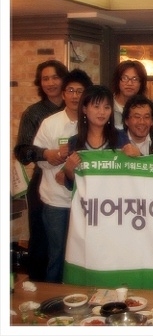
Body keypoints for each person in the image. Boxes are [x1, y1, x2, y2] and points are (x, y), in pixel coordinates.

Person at [32, 69, 93, 282]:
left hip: (87, 203)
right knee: (57, 254)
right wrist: (57, 158)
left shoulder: (93, 123)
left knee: (85, 254)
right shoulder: (50, 123)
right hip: (56, 201)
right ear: (64, 94)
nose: (75, 96)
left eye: (80, 91)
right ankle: (54, 297)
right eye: (71, 90)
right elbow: (38, 158)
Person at [13, 59, 69, 281]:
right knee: (42, 241)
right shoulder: (34, 113)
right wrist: (45, 153)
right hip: (42, 183)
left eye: (55, 77)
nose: (50, 83)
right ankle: (38, 286)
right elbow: (21, 151)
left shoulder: (76, 110)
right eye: (45, 78)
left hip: (72, 182)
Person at [63, 85, 133, 188]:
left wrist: (136, 155)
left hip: (115, 196)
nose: (102, 112)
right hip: (87, 198)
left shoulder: (120, 137)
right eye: (96, 106)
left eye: (107, 107)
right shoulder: (74, 142)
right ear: (84, 109)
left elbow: (132, 175)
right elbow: (73, 187)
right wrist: (69, 170)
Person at [111, 60, 148, 129]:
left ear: (141, 83)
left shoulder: (146, 108)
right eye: (125, 78)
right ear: (117, 80)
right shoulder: (108, 104)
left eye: (135, 79)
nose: (129, 83)